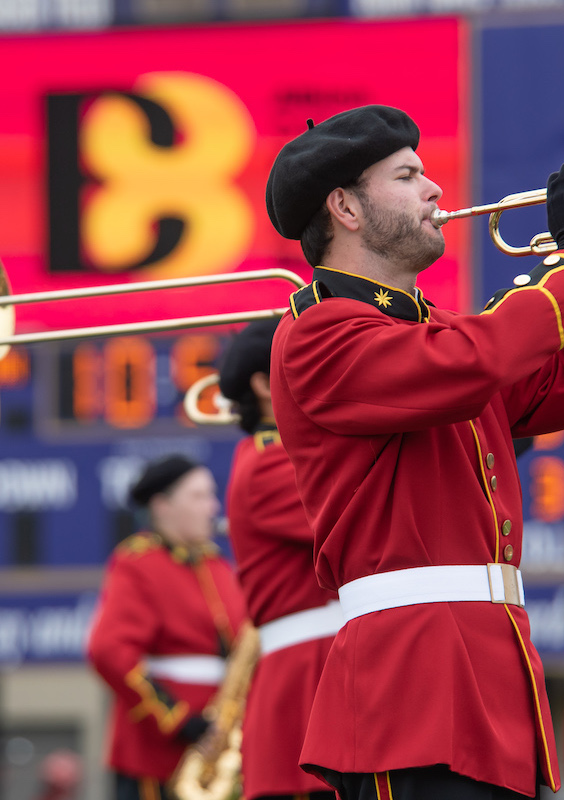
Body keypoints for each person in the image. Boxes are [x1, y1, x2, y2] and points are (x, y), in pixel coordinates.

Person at [265, 104, 564, 799]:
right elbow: (476, 360)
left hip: (490, 668)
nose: (435, 190)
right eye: (408, 175)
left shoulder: (436, 332)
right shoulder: (319, 331)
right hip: (408, 682)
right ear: (345, 207)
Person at [219, 319, 339, 800]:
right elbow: (361, 517)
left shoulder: (288, 453)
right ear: (265, 385)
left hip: (322, 664)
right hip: (306, 677)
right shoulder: (269, 462)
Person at [86, 454, 249, 800]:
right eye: (199, 496)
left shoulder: (218, 566)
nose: (213, 507)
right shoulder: (138, 562)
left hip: (216, 753)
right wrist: (175, 717)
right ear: (162, 505)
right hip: (155, 753)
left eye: (211, 495)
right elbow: (109, 651)